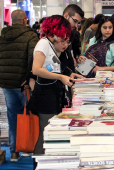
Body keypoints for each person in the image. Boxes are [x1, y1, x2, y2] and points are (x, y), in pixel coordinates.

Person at [30, 15, 83, 158]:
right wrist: (60, 77)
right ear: (53, 32)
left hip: (55, 95)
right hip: (45, 96)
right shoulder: (43, 44)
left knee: (51, 136)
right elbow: (36, 69)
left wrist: (71, 74)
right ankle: (38, 165)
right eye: (62, 38)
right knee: (45, 136)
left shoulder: (53, 46)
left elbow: (56, 67)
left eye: (66, 39)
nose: (64, 43)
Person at [0, 9, 39, 162]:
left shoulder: (2, 36)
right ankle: (29, 146)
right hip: (23, 84)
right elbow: (33, 59)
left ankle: (14, 151)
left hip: (6, 83)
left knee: (12, 116)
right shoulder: (30, 36)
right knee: (29, 116)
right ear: (25, 20)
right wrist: (29, 79)